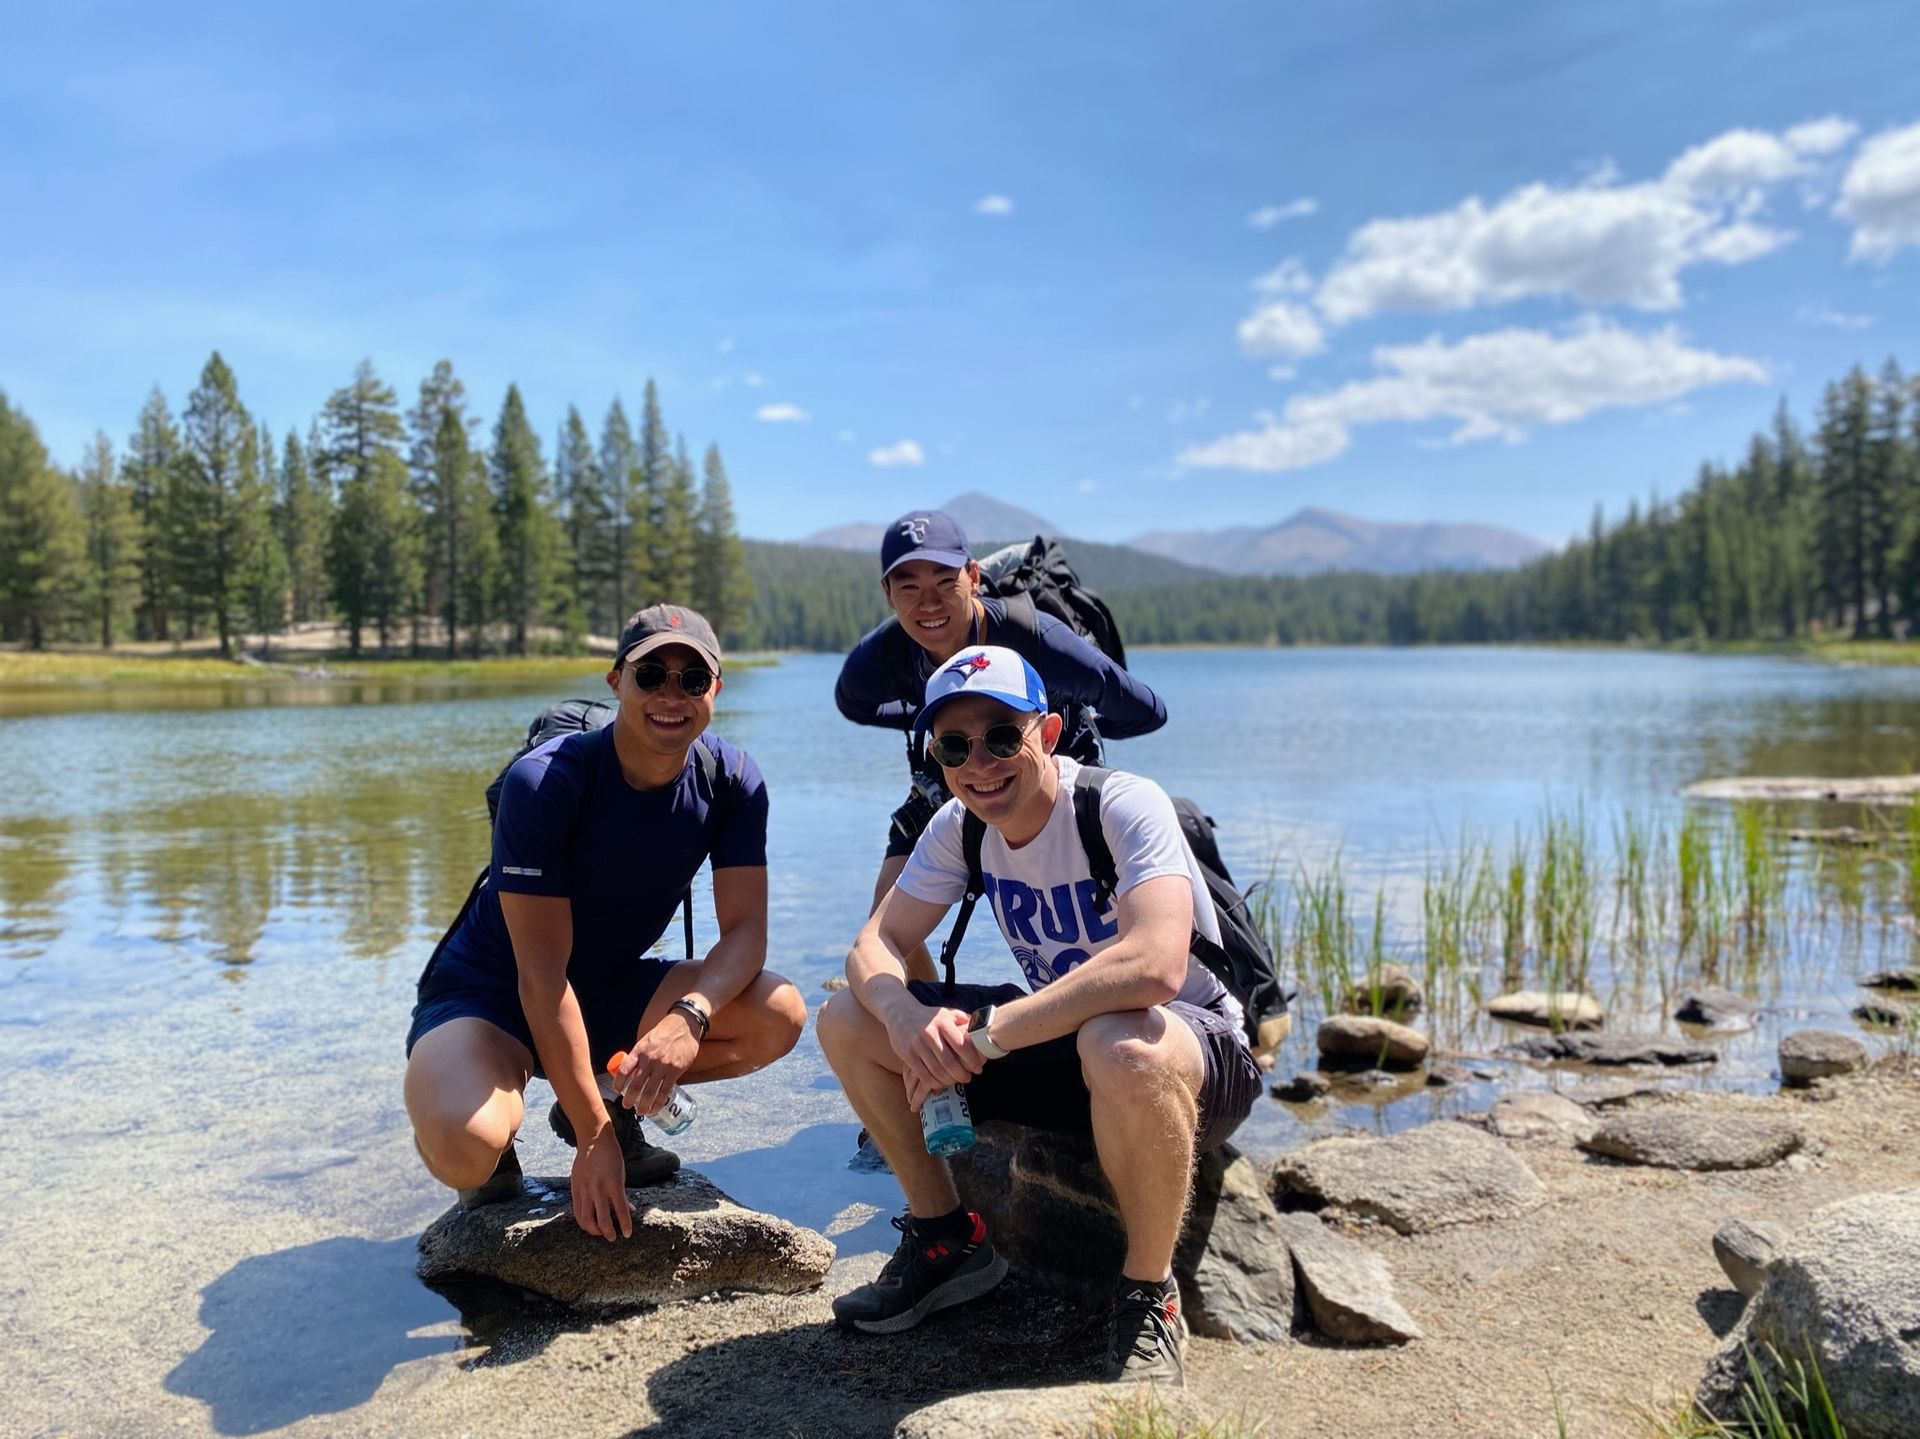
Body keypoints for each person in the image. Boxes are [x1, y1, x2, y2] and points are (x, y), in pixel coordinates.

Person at [818, 644, 1260, 1386]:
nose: (979, 761)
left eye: (1000, 735)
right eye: (954, 745)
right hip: (1068, 1048)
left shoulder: (1119, 802)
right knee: (844, 1019)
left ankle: (1149, 1293)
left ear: (1048, 732)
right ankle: (946, 1239)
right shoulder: (961, 826)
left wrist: (987, 1035)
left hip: (1191, 1053)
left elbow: (1156, 964)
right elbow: (878, 941)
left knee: (1121, 1041)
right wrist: (901, 1016)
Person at [404, 604, 807, 1241]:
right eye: (652, 676)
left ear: (716, 691)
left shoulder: (732, 780)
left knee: (777, 1014)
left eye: (692, 679)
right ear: (616, 681)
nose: (671, 696)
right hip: (490, 995)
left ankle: (603, 1095)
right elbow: (540, 979)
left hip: (610, 990)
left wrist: (688, 1017)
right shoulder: (544, 784)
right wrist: (595, 1145)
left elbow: (746, 935)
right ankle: (548, 1123)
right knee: (466, 1144)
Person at [835, 509, 1167, 980]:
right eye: (908, 586)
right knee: (883, 923)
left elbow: (1147, 708)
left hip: (1049, 760)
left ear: (973, 577)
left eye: (944, 582)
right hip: (947, 769)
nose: (927, 604)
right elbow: (852, 703)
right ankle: (933, 1028)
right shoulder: (886, 652)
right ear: (888, 594)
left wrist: (1040, 732)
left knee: (1075, 918)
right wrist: (940, 731)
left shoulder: (1036, 638)